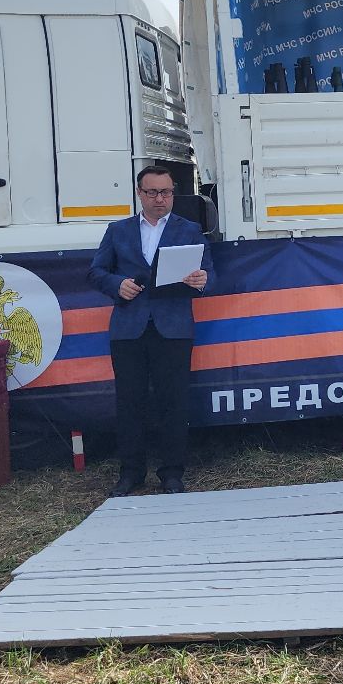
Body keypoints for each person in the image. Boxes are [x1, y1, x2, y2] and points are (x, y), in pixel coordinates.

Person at [88, 165, 213, 496]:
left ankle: (172, 473)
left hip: (173, 326)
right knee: (130, 403)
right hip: (129, 327)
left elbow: (209, 273)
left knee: (174, 402)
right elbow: (96, 271)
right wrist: (117, 284)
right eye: (153, 192)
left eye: (167, 192)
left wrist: (202, 281)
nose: (161, 199)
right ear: (139, 194)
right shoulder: (118, 230)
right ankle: (131, 473)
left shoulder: (189, 230)